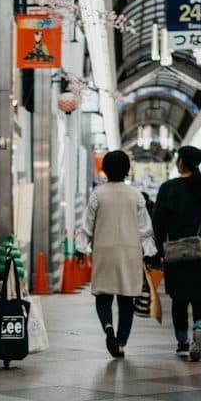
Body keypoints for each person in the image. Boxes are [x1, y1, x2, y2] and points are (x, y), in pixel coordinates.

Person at [77, 151, 157, 358]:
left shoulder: (98, 194)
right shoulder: (135, 195)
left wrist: (80, 248)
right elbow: (145, 229)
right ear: (127, 170)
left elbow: (87, 226)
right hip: (130, 253)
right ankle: (121, 343)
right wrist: (149, 253)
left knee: (103, 296)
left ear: (105, 168)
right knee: (126, 300)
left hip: (104, 251)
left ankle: (108, 328)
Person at [153, 146, 201, 361]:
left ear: (180, 162)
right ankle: (199, 326)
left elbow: (158, 224)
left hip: (177, 252)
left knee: (179, 299)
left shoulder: (168, 188)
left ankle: (182, 342)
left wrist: (158, 249)